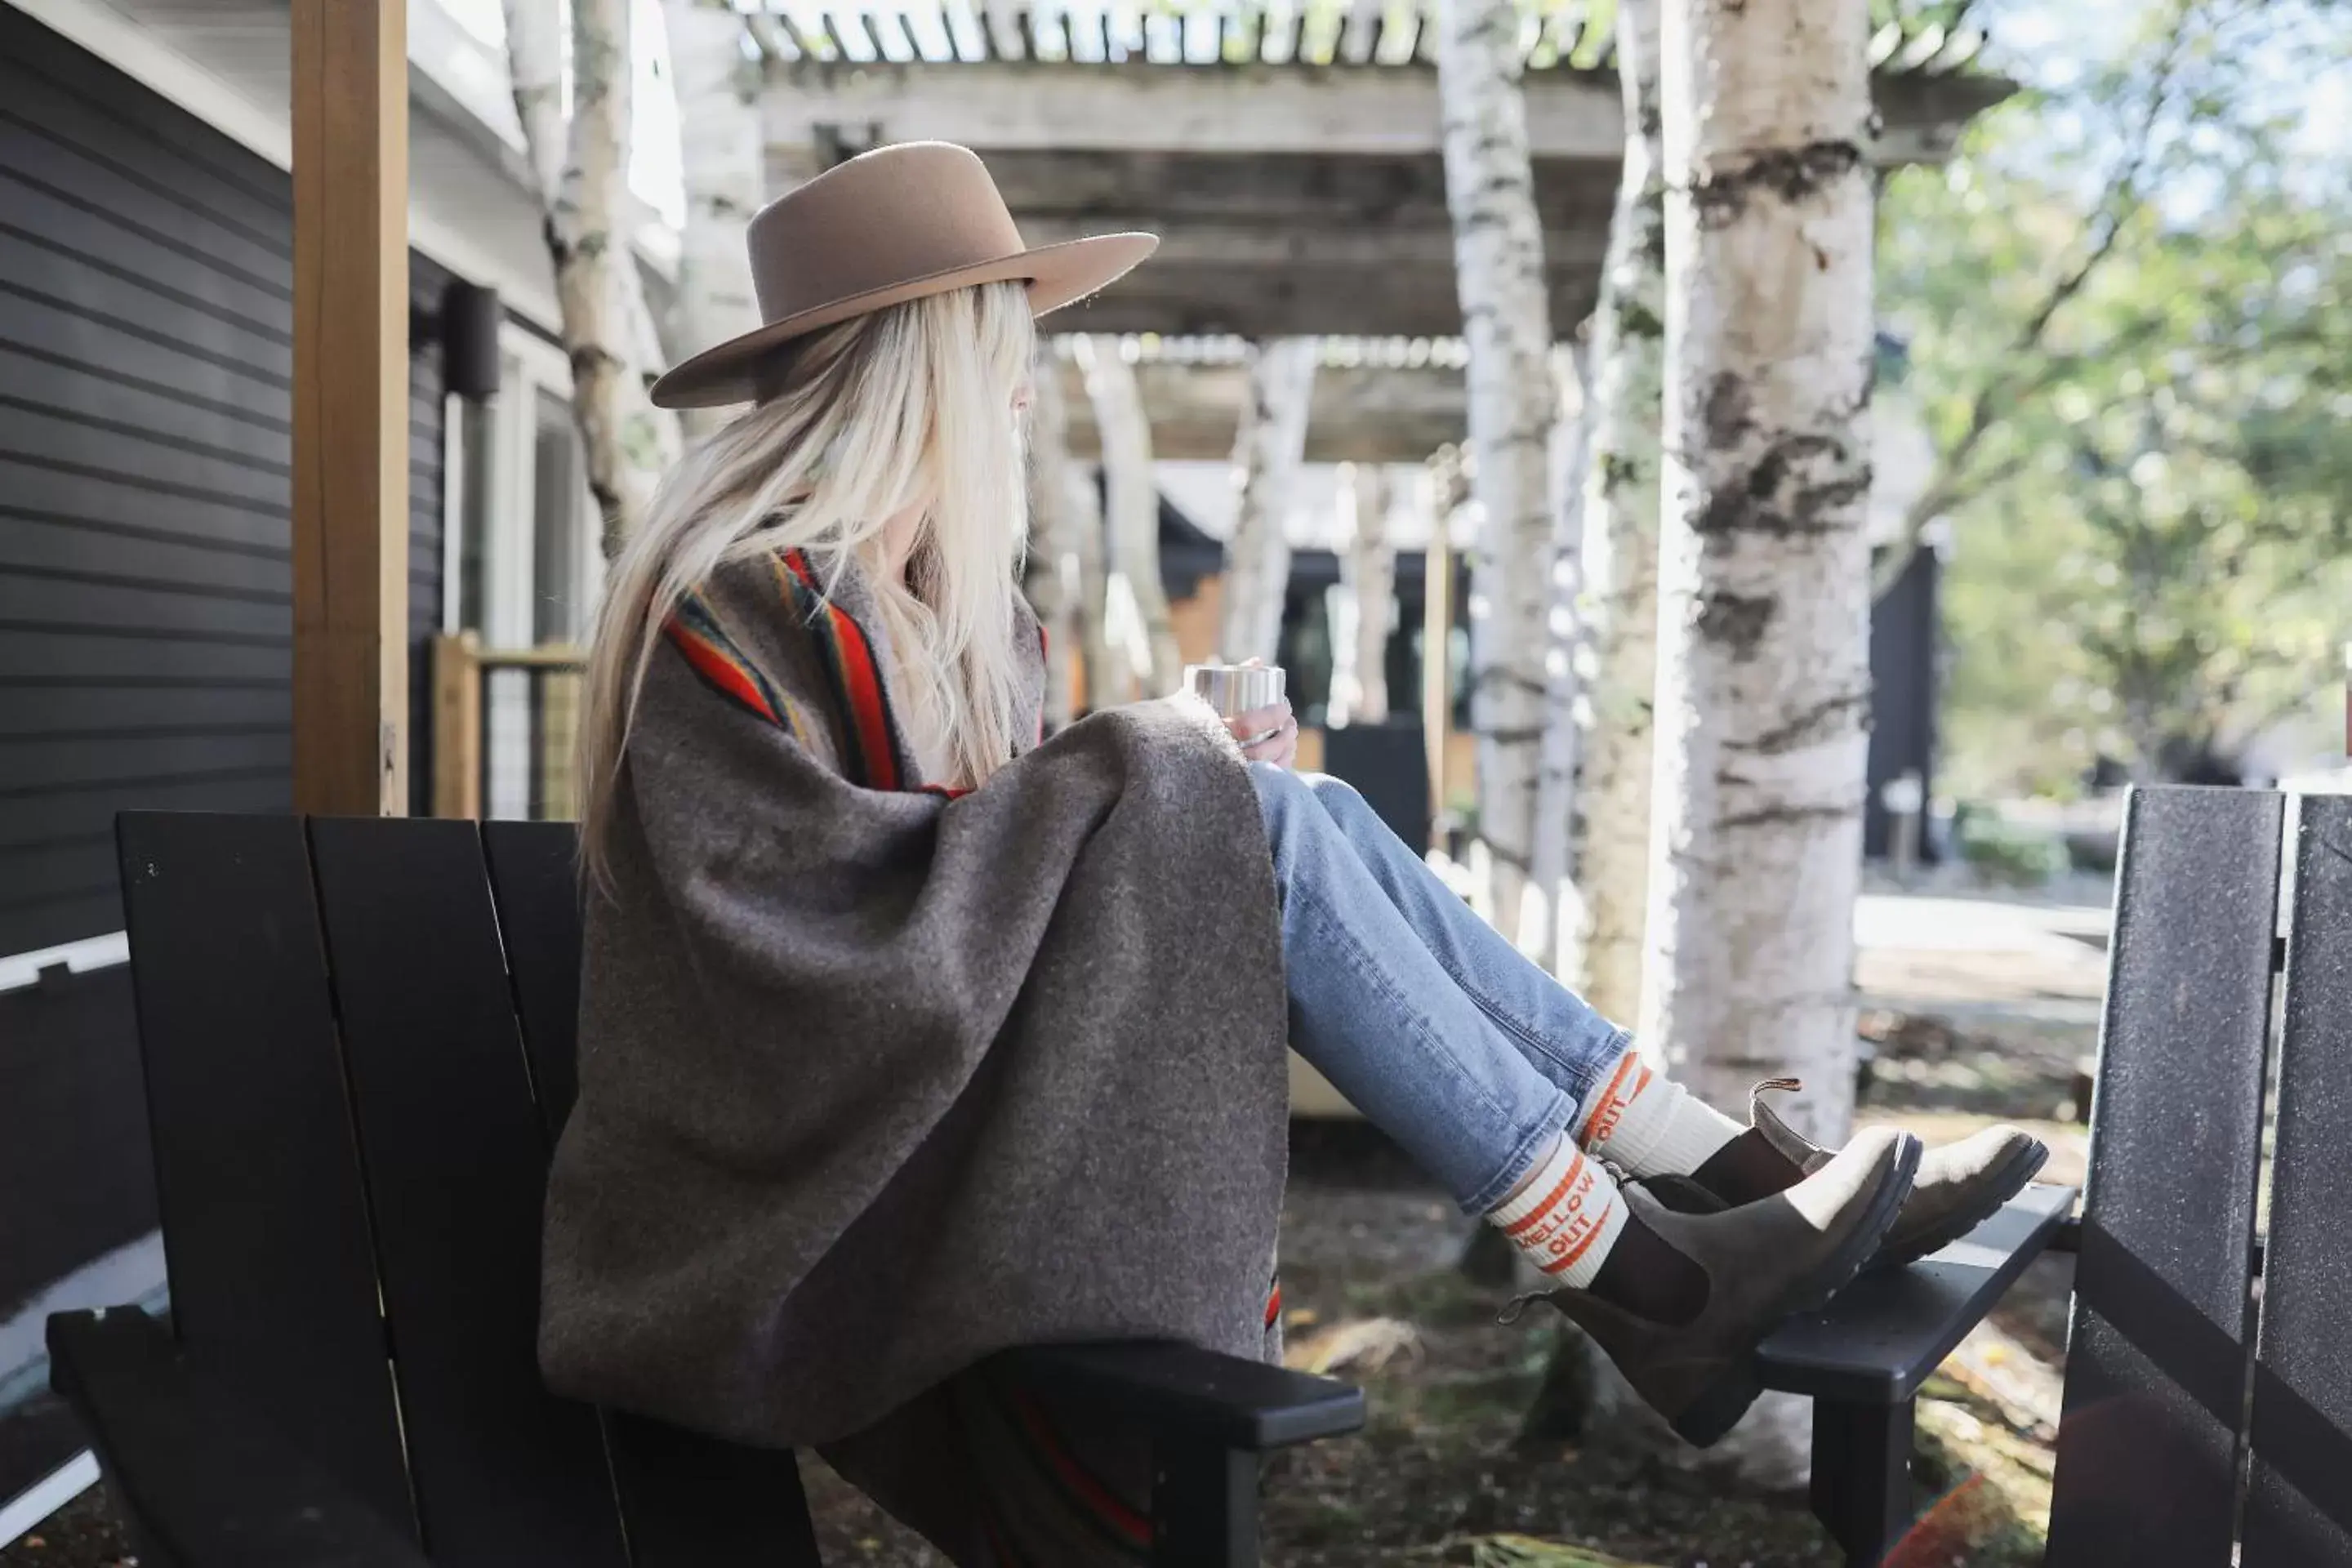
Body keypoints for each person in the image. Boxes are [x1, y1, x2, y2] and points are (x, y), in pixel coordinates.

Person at [539, 141, 2047, 1560]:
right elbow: (816, 949)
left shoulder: (940, 608)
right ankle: (1648, 1273)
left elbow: (980, 869)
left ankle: (1706, 1188)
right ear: (919, 367)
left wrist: (1166, 804)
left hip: (937, 1094)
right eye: (1003, 352)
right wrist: (1159, 796)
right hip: (794, 1176)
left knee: (1284, 813)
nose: (1020, 393)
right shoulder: (737, 606)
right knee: (1230, 805)